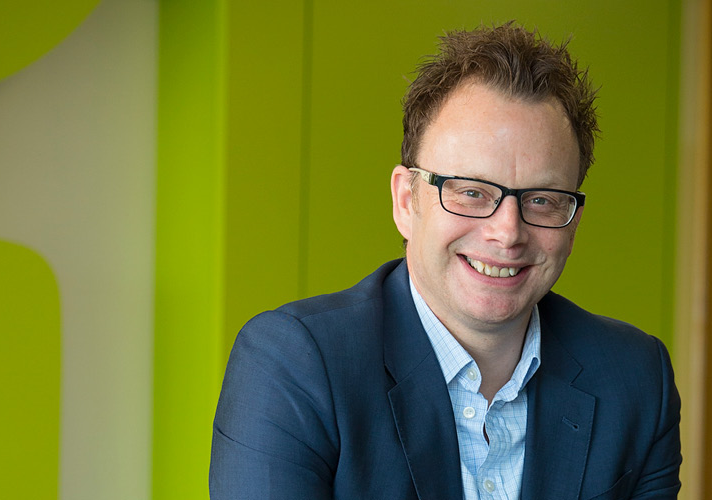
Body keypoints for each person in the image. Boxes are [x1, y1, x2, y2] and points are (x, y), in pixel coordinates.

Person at [210, 22, 681, 500]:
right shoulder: (294, 365)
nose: (507, 232)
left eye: (542, 199)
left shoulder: (637, 381)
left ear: (574, 220)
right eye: (472, 192)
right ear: (405, 201)